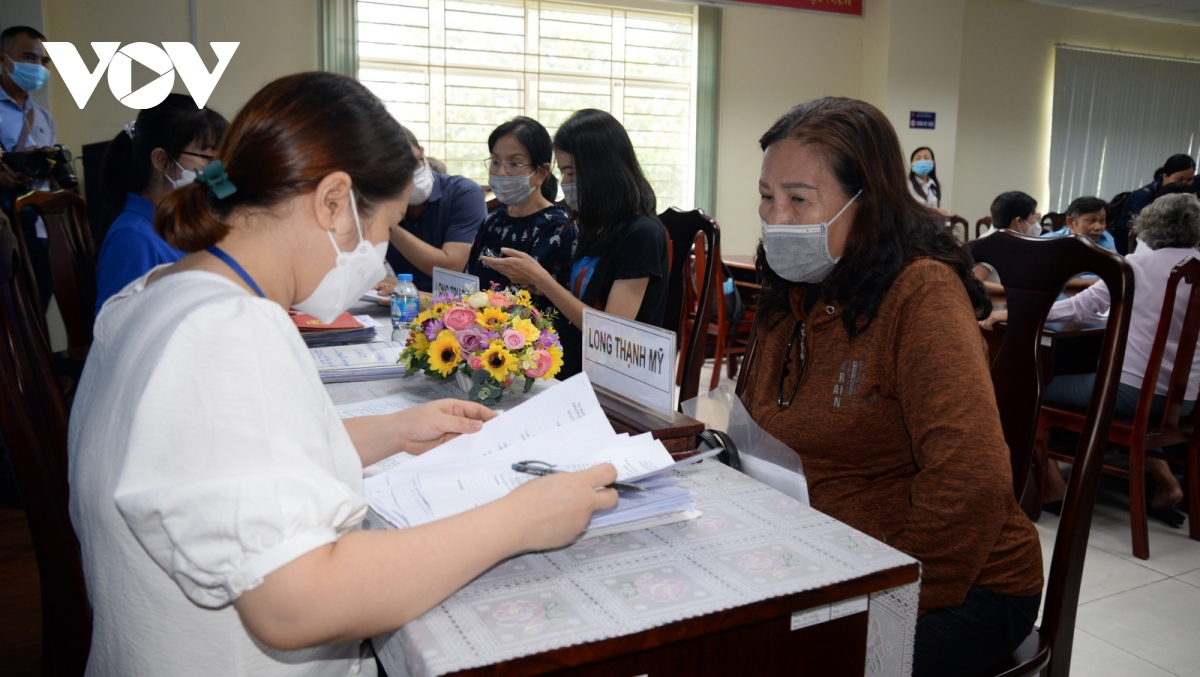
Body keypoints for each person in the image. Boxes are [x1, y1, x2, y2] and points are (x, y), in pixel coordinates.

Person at [68, 72, 617, 676]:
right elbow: (296, 604)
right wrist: (519, 519)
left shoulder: (157, 294)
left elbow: (227, 454)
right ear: (333, 202)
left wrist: (392, 430)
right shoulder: (228, 333)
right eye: (383, 228)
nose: (379, 253)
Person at [739, 97, 1042, 677]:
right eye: (767, 196)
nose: (777, 217)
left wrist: (882, 594)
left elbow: (969, 480)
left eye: (800, 200)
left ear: (867, 202)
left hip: (953, 581)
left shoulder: (920, 294)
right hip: (825, 554)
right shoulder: (793, 287)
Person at [982, 194, 1200, 526]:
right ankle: (1168, 484)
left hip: (1132, 394)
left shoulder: (1134, 267)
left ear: (1151, 226)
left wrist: (1010, 313)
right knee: (1135, 404)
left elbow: (1079, 307)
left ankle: (1054, 488)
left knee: (1034, 390)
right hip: (1185, 402)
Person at [481, 109, 669, 379]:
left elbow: (611, 332)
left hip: (619, 380)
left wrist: (545, 281)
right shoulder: (595, 226)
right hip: (579, 365)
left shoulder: (642, 233)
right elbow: (583, 300)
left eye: (571, 173)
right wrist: (540, 287)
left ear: (602, 171)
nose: (566, 184)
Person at [94, 94, 228, 313]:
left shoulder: (184, 222)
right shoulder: (133, 239)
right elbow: (116, 332)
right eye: (207, 158)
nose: (218, 171)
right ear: (161, 160)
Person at [467, 117, 574, 296]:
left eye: (514, 164)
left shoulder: (560, 228)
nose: (501, 172)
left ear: (541, 172)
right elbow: (469, 284)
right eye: (495, 161)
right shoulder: (492, 221)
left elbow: (561, 303)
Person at [383, 126, 487, 292]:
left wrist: (387, 224)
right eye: (399, 172)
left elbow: (452, 268)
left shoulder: (464, 194)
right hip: (400, 307)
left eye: (415, 162)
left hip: (458, 310)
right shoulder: (380, 201)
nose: (411, 175)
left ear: (422, 152)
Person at [0, 26, 56, 307]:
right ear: (3, 60)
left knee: (36, 315)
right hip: (5, 231)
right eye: (29, 58)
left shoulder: (43, 116)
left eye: (44, 61)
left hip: (42, 230)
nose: (39, 67)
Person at [1111, 154, 1196, 255]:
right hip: (1130, 241)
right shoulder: (1143, 196)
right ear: (1165, 176)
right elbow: (1145, 229)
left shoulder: (1185, 191)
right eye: (1180, 179)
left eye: (1190, 179)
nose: (1185, 183)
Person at [1040, 196, 1114, 289]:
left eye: (1102, 221)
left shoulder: (1106, 238)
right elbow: (1045, 279)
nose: (1098, 227)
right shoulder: (1049, 242)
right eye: (1091, 221)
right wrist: (1097, 283)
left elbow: (1114, 274)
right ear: (1071, 222)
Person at [974, 190, 1040, 294]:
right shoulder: (993, 244)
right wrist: (1015, 292)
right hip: (994, 305)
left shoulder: (1008, 241)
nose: (1036, 220)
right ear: (1018, 221)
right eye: (1034, 215)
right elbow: (975, 281)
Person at [907, 146, 947, 216]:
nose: (922, 161)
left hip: (934, 225)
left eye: (926, 158)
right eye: (918, 158)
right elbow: (908, 211)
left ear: (933, 163)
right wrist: (933, 212)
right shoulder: (906, 185)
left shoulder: (935, 186)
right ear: (911, 165)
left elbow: (940, 210)